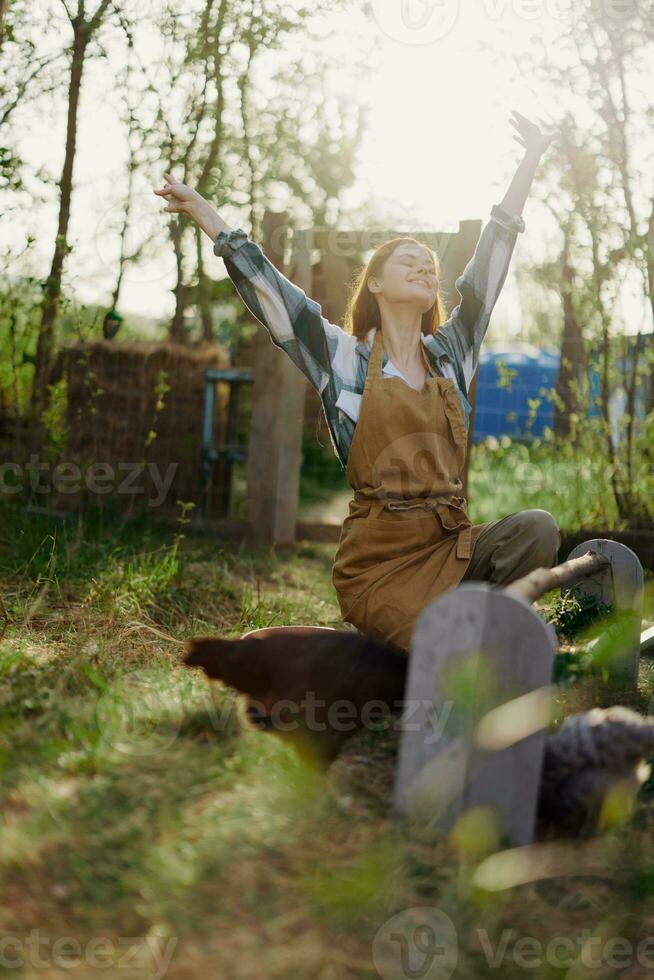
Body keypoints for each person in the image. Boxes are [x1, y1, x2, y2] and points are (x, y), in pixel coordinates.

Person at [154, 109, 561, 654]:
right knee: (437, 648)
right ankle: (469, 645)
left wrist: (529, 161)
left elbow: (495, 256)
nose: (424, 268)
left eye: (429, 266)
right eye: (409, 262)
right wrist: (204, 212)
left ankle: (473, 641)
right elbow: (269, 289)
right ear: (376, 284)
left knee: (535, 529)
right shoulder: (340, 358)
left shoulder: (453, 353)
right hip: (380, 566)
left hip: (451, 546)